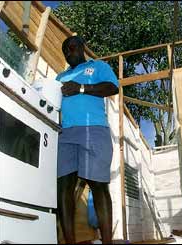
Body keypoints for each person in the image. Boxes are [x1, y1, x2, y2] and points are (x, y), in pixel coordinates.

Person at [56, 36, 119, 244]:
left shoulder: (98, 66)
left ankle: (107, 241)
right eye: (65, 50)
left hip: (93, 129)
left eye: (72, 47)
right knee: (64, 186)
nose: (68, 52)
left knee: (98, 184)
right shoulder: (60, 77)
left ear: (82, 48)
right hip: (64, 134)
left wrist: (81, 88)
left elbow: (112, 87)